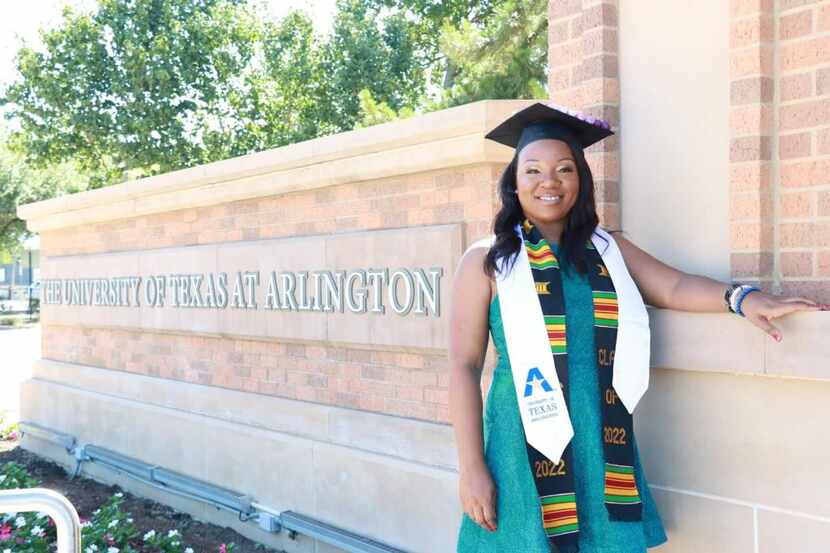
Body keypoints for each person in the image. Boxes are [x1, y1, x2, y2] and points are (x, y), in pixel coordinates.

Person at [449, 101, 826, 553]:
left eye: (564, 169)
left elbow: (674, 286)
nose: (549, 182)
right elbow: (463, 365)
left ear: (581, 181)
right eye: (533, 171)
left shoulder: (608, 251)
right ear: (513, 182)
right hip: (522, 443)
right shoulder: (488, 262)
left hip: (601, 440)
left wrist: (743, 299)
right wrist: (472, 467)